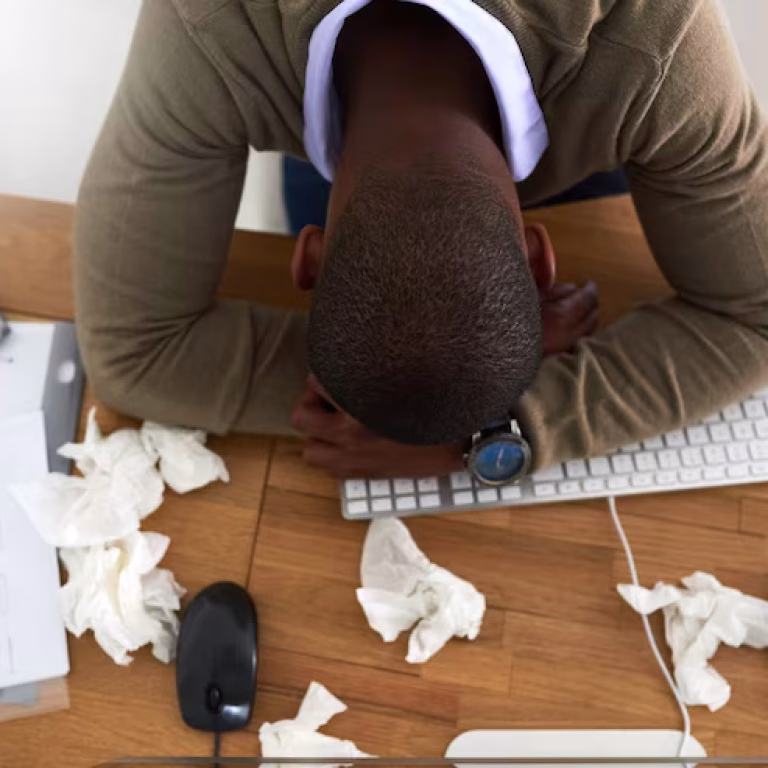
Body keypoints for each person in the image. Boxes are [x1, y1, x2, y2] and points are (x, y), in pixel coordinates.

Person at [75, 0, 768, 481]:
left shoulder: (658, 38)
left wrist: (501, 432)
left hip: (595, 92)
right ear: (537, 259)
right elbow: (132, 354)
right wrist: (430, 399)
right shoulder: (207, 26)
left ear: (308, 259)